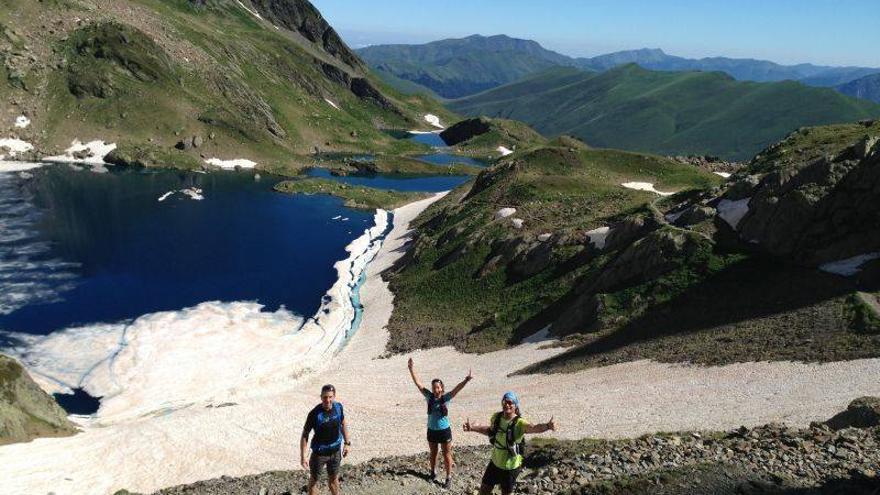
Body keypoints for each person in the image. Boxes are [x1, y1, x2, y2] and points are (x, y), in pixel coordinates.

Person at [463, 391, 556, 495]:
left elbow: (534, 428)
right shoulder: (496, 417)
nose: (507, 404)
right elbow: (489, 431)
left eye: (510, 402)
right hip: (495, 463)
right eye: (505, 402)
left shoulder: (520, 423)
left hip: (510, 467)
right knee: (483, 491)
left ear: (515, 405)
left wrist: (547, 426)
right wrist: (472, 428)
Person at [407, 357, 473, 488]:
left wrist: (466, 380)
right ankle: (433, 473)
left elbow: (456, 389)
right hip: (431, 430)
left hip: (444, 431)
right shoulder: (429, 396)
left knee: (447, 454)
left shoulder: (446, 397)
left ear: (442, 388)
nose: (435, 389)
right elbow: (418, 384)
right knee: (433, 453)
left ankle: (448, 478)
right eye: (433, 387)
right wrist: (411, 369)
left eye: (437, 387)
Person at [300, 384, 351, 495]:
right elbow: (305, 434)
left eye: (330, 397)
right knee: (314, 481)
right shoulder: (314, 414)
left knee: (333, 479)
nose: (327, 400)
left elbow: (343, 423)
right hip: (319, 454)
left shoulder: (338, 407)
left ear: (334, 396)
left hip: (335, 451)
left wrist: (347, 443)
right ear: (321, 397)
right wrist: (303, 456)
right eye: (325, 397)